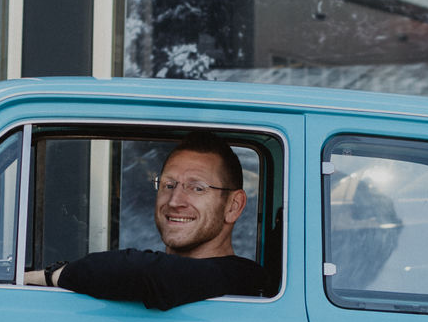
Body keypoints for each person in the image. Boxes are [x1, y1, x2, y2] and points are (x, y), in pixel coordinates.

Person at [30, 133, 265, 310]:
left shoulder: (243, 278)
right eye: (168, 185)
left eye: (197, 188)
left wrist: (45, 277)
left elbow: (152, 274)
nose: (175, 201)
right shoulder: (140, 282)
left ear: (233, 206)